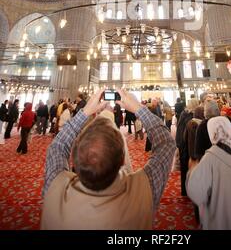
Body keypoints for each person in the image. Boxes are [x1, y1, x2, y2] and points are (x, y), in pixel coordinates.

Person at [41, 89, 175, 230]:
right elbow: (166, 144)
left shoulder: (55, 187)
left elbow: (58, 147)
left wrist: (86, 111)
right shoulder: (144, 190)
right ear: (123, 160)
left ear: (74, 160)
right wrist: (137, 108)